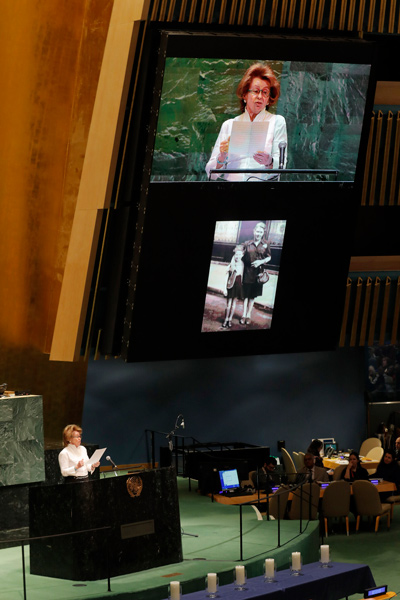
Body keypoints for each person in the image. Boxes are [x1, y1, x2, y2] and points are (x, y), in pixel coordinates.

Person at [205, 62, 287, 181]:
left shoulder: (277, 122)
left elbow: (281, 167)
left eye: (265, 92)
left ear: (269, 99)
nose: (260, 96)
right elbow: (211, 173)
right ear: (244, 95)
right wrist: (222, 157)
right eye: (255, 91)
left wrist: (269, 161)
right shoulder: (229, 125)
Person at [240, 222, 271, 325]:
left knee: (252, 296)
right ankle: (243, 315)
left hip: (258, 275)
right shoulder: (247, 243)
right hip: (247, 273)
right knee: (246, 295)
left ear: (263, 233)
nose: (258, 233)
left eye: (260, 232)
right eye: (257, 231)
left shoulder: (265, 245)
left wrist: (260, 262)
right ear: (254, 231)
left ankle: (248, 315)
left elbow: (269, 257)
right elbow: (239, 255)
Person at [222, 245, 245, 328]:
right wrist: (224, 288)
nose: (238, 256)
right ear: (234, 254)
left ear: (242, 255)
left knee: (234, 304)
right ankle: (226, 319)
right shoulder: (231, 264)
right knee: (228, 305)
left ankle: (230, 319)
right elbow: (226, 276)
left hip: (238, 286)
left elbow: (241, 277)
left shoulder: (242, 264)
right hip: (231, 285)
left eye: (240, 254)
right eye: (236, 254)